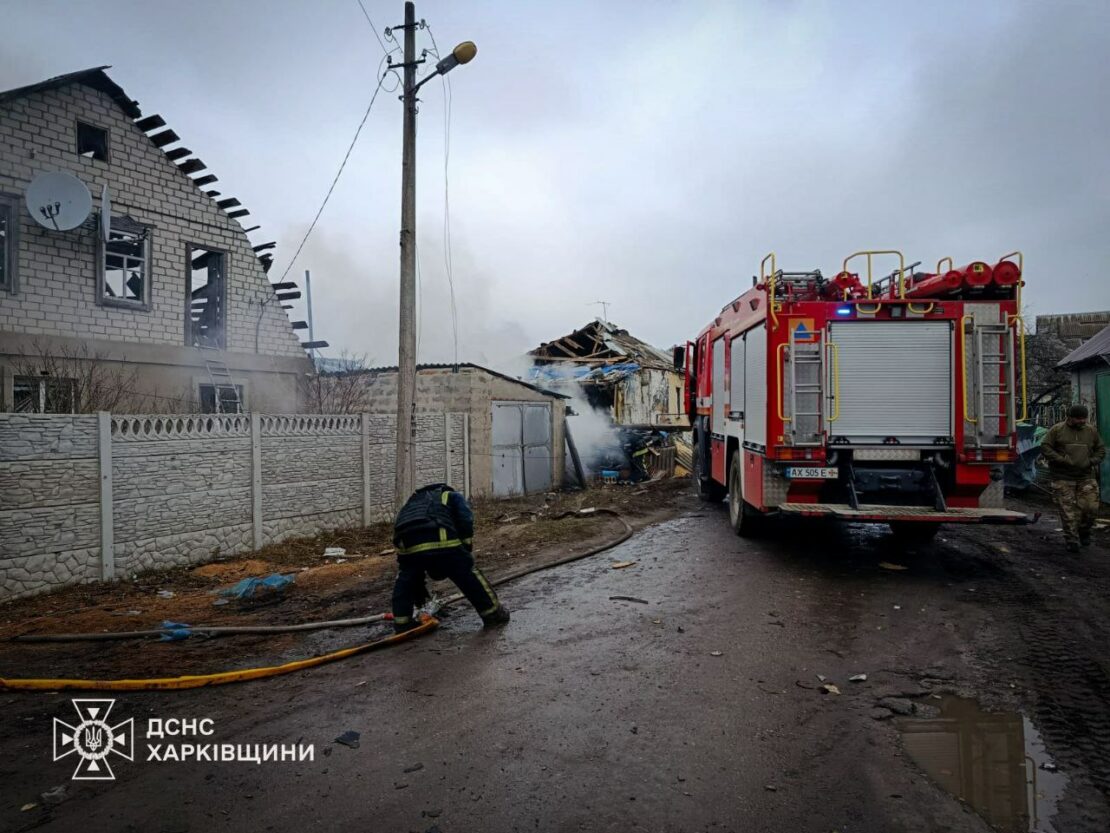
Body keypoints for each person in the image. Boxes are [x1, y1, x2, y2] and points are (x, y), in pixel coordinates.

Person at [391, 483, 510, 633]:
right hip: (441, 539)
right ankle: (493, 614)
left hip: (407, 544)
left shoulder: (412, 502)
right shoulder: (451, 495)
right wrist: (466, 546)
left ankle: (402, 623)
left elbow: (399, 524)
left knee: (406, 580)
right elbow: (465, 518)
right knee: (468, 575)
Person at [1040, 404, 1105, 552]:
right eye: (1079, 418)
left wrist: (1092, 461)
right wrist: (1060, 459)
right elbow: (1045, 447)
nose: (1082, 421)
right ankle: (1072, 540)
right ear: (1070, 417)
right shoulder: (1057, 430)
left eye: (1084, 418)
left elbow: (1100, 449)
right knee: (1068, 512)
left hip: (1085, 476)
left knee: (1090, 508)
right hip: (1062, 476)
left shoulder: (1091, 431)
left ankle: (1084, 531)